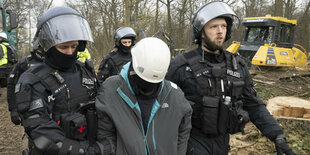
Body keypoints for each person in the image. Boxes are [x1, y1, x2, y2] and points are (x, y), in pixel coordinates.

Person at [166, 1, 295, 155]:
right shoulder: (180, 66)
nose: (220, 31)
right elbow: (160, 104)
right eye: (213, 27)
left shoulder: (237, 65)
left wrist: (277, 135)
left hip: (223, 142)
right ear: (201, 32)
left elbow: (254, 105)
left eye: (223, 26)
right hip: (192, 141)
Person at [14, 6, 101, 154]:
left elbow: (102, 108)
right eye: (63, 47)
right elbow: (42, 132)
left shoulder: (85, 70)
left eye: (74, 46)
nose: (70, 52)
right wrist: (84, 151)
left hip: (90, 144)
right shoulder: (32, 80)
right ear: (49, 45)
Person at [95, 37, 192, 155]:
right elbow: (105, 136)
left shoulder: (174, 95)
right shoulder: (111, 91)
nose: (148, 87)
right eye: (144, 81)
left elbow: (184, 130)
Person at [7, 43, 44, 125]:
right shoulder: (24, 63)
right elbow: (12, 85)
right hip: (31, 108)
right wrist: (13, 109)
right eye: (40, 49)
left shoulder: (56, 61)